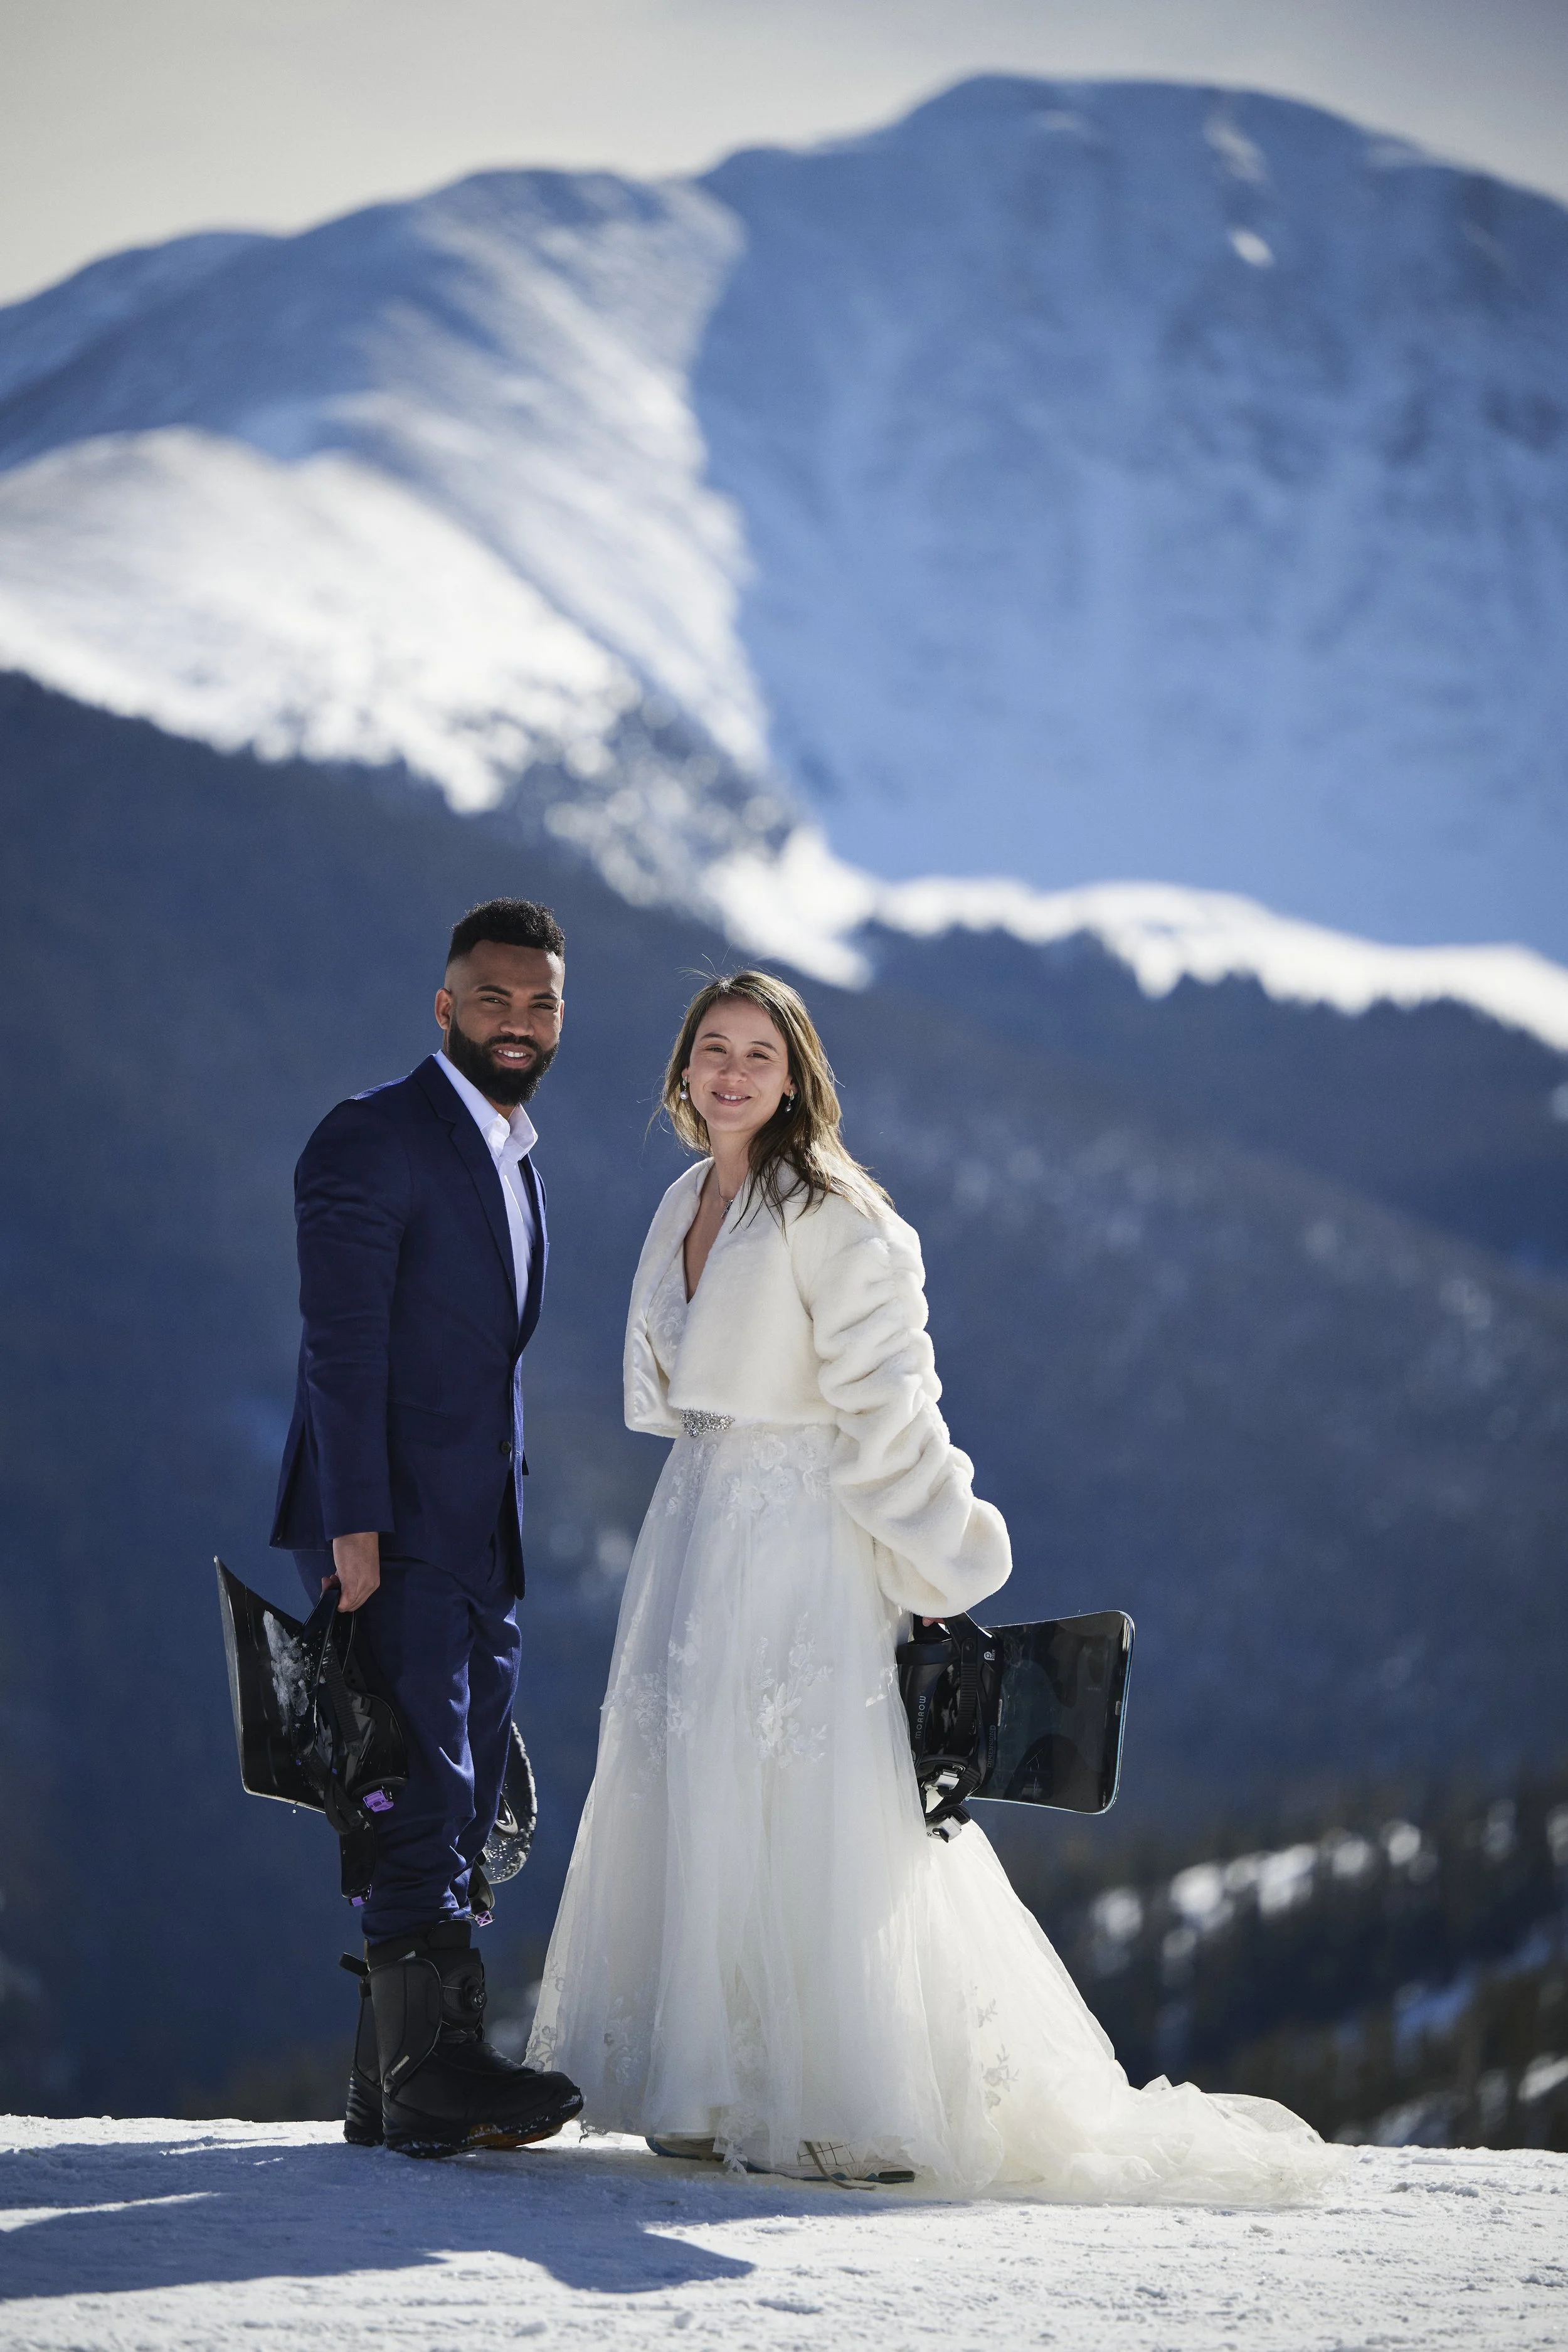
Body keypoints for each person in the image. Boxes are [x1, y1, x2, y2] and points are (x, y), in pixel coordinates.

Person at [527, 970, 1345, 2200]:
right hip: (697, 1528)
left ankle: (838, 2098)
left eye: (759, 1052)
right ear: (682, 1072)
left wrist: (940, 1558)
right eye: (711, 1049)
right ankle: (704, 2085)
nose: (733, 1072)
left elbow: (889, 1409)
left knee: (811, 1800)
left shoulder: (838, 1217)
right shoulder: (685, 1198)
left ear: (796, 1075)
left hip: (803, 1532)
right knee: (697, 1779)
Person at [271, 897, 583, 2158]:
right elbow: (339, 1346)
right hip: (387, 1524)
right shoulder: (373, 1137)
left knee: (460, 1788)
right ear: (443, 1005)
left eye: (542, 1002)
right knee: (417, 1776)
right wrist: (353, 1529)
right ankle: (433, 2072)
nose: (518, 1023)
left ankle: (378, 2086)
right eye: (493, 998)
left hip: (477, 1525)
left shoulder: (512, 1151)